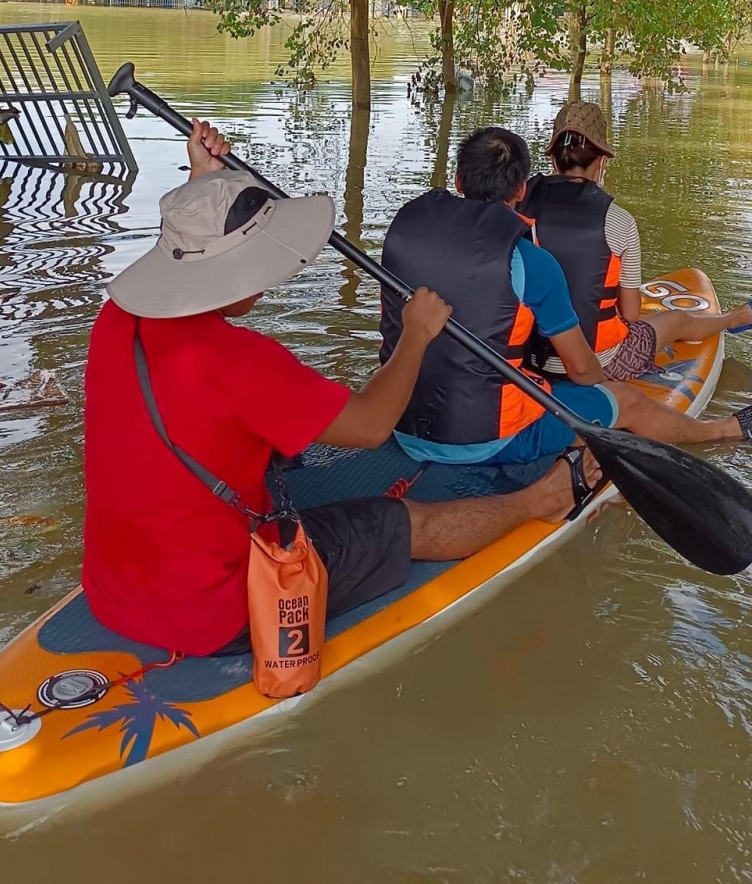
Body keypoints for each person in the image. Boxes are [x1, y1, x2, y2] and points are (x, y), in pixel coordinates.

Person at [82, 118, 596, 658]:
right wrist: (416, 334)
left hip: (112, 592)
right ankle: (545, 497)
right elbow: (373, 427)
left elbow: (194, 251)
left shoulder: (115, 319)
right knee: (400, 520)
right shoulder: (242, 364)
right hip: (220, 612)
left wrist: (207, 186)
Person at [378, 126, 752, 468]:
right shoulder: (530, 262)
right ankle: (720, 430)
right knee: (626, 400)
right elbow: (583, 370)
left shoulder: (404, 236)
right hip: (485, 441)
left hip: (397, 419)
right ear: (520, 190)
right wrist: (604, 378)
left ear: (458, 182)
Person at [521, 100, 752, 383]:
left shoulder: (517, 206)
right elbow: (632, 313)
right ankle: (732, 320)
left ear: (552, 159)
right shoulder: (620, 221)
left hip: (525, 357)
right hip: (600, 361)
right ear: (602, 163)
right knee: (676, 321)